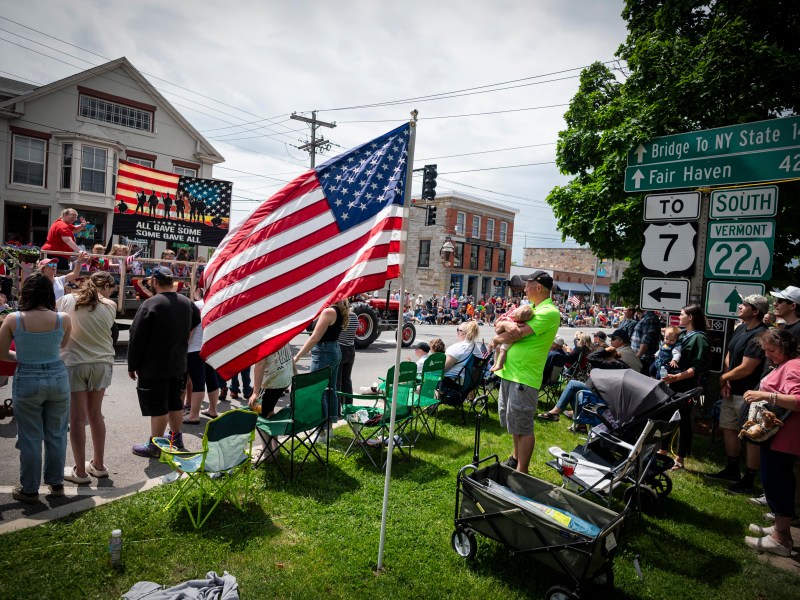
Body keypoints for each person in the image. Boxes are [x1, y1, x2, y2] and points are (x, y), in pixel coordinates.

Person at [0, 272, 72, 502]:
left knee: (30, 436)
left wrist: (22, 355)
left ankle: (29, 489)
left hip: (28, 377)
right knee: (57, 433)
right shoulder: (63, 318)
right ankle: (56, 483)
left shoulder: (13, 318)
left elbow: (1, 353)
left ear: (25, 293)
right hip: (58, 376)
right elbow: (61, 346)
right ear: (49, 294)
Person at [128, 267, 200, 458]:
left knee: (158, 406)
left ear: (154, 282)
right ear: (172, 282)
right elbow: (197, 320)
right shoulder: (187, 302)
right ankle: (176, 438)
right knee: (175, 403)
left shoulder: (151, 304)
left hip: (155, 365)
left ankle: (156, 445)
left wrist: (132, 364)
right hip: (178, 362)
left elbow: (137, 336)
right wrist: (184, 336)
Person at [495, 271, 560, 474]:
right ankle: (515, 459)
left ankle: (522, 472)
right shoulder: (531, 308)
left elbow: (516, 335)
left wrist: (499, 338)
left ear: (538, 287)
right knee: (514, 422)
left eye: (528, 284)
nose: (524, 288)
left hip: (524, 376)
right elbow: (500, 325)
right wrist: (504, 324)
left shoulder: (549, 312)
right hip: (510, 373)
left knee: (523, 425)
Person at [743, 328, 800, 557]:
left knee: (777, 482)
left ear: (785, 346)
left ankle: (780, 539)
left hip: (784, 438)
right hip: (780, 437)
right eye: (766, 350)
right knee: (776, 481)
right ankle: (780, 530)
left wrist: (766, 396)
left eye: (772, 350)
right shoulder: (790, 364)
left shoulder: (794, 366)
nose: (768, 355)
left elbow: (798, 400)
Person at [58, 272, 117, 484]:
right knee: (96, 415)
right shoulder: (110, 305)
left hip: (75, 362)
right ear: (108, 286)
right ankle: (99, 465)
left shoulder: (67, 299)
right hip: (101, 363)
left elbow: (58, 321)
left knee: (77, 418)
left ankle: (81, 471)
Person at [707, 294, 768, 493]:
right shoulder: (741, 327)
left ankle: (749, 479)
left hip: (749, 394)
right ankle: (732, 469)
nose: (740, 306)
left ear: (756, 311)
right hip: (731, 390)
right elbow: (729, 353)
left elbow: (747, 368)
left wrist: (725, 379)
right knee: (728, 428)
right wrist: (726, 378)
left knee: (750, 436)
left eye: (745, 304)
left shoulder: (761, 335)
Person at [659, 305, 710, 470]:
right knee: (666, 417)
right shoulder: (684, 335)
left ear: (691, 317)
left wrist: (677, 377)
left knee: (683, 421)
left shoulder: (699, 338)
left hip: (685, 386)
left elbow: (698, 367)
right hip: (671, 384)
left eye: (681, 314)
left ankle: (680, 459)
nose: (679, 317)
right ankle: (662, 452)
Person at [294, 299, 348, 442]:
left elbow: (314, 337)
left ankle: (320, 432)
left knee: (319, 392)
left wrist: (298, 356)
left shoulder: (328, 311)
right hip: (333, 349)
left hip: (325, 351)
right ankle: (328, 429)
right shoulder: (338, 310)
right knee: (330, 390)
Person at [184, 287, 224, 422]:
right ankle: (213, 410)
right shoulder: (215, 306)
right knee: (211, 379)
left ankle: (193, 415)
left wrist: (183, 345)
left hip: (194, 348)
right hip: (209, 347)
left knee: (197, 382)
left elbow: (191, 328)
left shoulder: (195, 306)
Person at [489, 304, 533, 372]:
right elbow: (499, 325)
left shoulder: (518, 322)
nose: (512, 316)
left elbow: (504, 324)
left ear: (519, 318)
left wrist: (504, 321)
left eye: (514, 316)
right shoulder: (516, 318)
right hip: (504, 337)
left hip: (510, 340)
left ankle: (499, 365)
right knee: (498, 348)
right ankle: (495, 364)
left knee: (503, 349)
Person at [337, 308, 359, 399]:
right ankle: (349, 405)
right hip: (351, 348)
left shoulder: (340, 317)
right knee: (347, 379)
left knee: (338, 381)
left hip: (340, 347)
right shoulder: (355, 316)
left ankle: (337, 407)